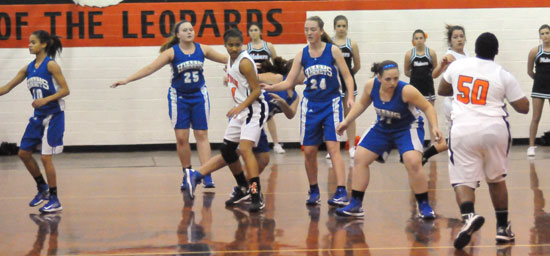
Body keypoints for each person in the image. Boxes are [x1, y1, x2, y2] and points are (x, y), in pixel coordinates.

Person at [438, 32, 529, 250]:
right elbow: (524, 107)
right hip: (494, 130)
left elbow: (442, 90)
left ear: (475, 49)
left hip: (463, 130)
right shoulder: (502, 74)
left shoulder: (458, 66)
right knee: (497, 179)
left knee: (462, 180)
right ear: (496, 52)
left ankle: (468, 215)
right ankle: (502, 229)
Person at [111, 20, 227, 189]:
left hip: (199, 96)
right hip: (178, 97)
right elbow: (150, 68)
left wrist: (245, 62)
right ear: (178, 34)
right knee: (182, 138)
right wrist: (127, 79)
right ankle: (187, 173)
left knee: (201, 134)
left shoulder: (203, 49)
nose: (189, 32)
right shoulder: (172, 52)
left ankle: (205, 173)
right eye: (185, 30)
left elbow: (227, 58)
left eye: (191, 29)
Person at [263, 16, 355, 207]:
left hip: (331, 104)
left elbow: (347, 75)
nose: (309, 33)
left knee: (333, 147)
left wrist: (351, 97)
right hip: (311, 105)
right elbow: (289, 82)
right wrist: (270, 87)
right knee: (310, 151)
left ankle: (341, 190)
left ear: (321, 31)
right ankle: (313, 190)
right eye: (306, 29)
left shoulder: (333, 51)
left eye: (313, 29)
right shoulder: (302, 54)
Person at [334, 60, 441, 219]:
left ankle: (424, 205)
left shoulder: (407, 90)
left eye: (396, 78)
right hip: (383, 126)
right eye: (388, 79)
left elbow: (427, 107)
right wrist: (346, 121)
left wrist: (434, 126)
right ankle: (356, 203)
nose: (393, 83)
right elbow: (362, 103)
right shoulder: (371, 86)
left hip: (407, 127)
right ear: (379, 78)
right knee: (359, 157)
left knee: (412, 161)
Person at [183, 28, 269, 212]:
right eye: (230, 45)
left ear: (242, 44)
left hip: (253, 109)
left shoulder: (245, 62)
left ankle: (256, 194)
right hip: (241, 110)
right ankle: (243, 187)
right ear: (225, 45)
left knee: (245, 150)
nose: (234, 48)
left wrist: (239, 106)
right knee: (228, 151)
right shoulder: (230, 59)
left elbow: (256, 91)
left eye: (238, 45)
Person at [0, 30, 69, 213]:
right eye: (29, 42)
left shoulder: (51, 65)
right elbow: (6, 87)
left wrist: (46, 100)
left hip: (54, 116)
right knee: (23, 153)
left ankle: (55, 199)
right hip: (38, 116)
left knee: (46, 157)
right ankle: (42, 188)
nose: (29, 45)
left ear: (44, 44)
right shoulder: (27, 68)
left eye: (33, 42)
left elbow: (65, 90)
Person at [224, 57, 300, 206]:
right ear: (294, 72)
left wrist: (282, 102)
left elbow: (291, 114)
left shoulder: (295, 95)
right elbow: (249, 78)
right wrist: (230, 74)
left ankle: (246, 189)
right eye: (304, 70)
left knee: (260, 159)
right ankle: (250, 191)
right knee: (240, 154)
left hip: (257, 122)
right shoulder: (277, 78)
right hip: (247, 117)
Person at [423, 24, 469, 165]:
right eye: (455, 37)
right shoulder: (449, 55)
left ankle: (427, 154)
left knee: (460, 137)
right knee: (457, 137)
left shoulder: (466, 54)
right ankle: (455, 161)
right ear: (450, 41)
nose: (459, 39)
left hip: (464, 101)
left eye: (461, 36)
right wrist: (442, 65)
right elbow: (434, 74)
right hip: (453, 103)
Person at [244, 23, 285, 154]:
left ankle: (276, 144)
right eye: (251, 30)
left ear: (260, 31)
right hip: (252, 84)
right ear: (248, 32)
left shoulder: (269, 46)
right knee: (252, 113)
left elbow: (277, 64)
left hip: (266, 82)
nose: (253, 32)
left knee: (269, 114)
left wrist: (275, 79)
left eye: (255, 29)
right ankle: (253, 142)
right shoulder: (247, 48)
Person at [332, 15, 361, 158]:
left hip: (348, 83)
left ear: (347, 27)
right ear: (334, 27)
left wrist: (347, 76)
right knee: (334, 115)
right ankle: (334, 147)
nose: (341, 28)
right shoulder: (330, 44)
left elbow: (357, 66)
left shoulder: (352, 44)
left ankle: (351, 146)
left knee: (350, 115)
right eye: (339, 26)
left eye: (344, 26)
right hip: (333, 84)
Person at [404, 29, 437, 146]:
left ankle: (434, 141)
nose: (418, 40)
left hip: (428, 87)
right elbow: (406, 71)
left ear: (425, 39)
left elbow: (435, 70)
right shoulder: (409, 54)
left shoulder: (431, 53)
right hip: (414, 87)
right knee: (413, 115)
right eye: (416, 38)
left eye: (420, 38)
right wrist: (416, 77)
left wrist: (425, 77)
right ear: (413, 40)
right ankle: (414, 140)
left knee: (430, 114)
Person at [527, 24, 550, 157]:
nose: (545, 36)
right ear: (539, 36)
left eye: (547, 33)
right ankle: (531, 146)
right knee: (536, 117)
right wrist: (539, 80)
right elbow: (530, 71)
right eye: (542, 33)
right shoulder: (534, 52)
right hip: (539, 88)